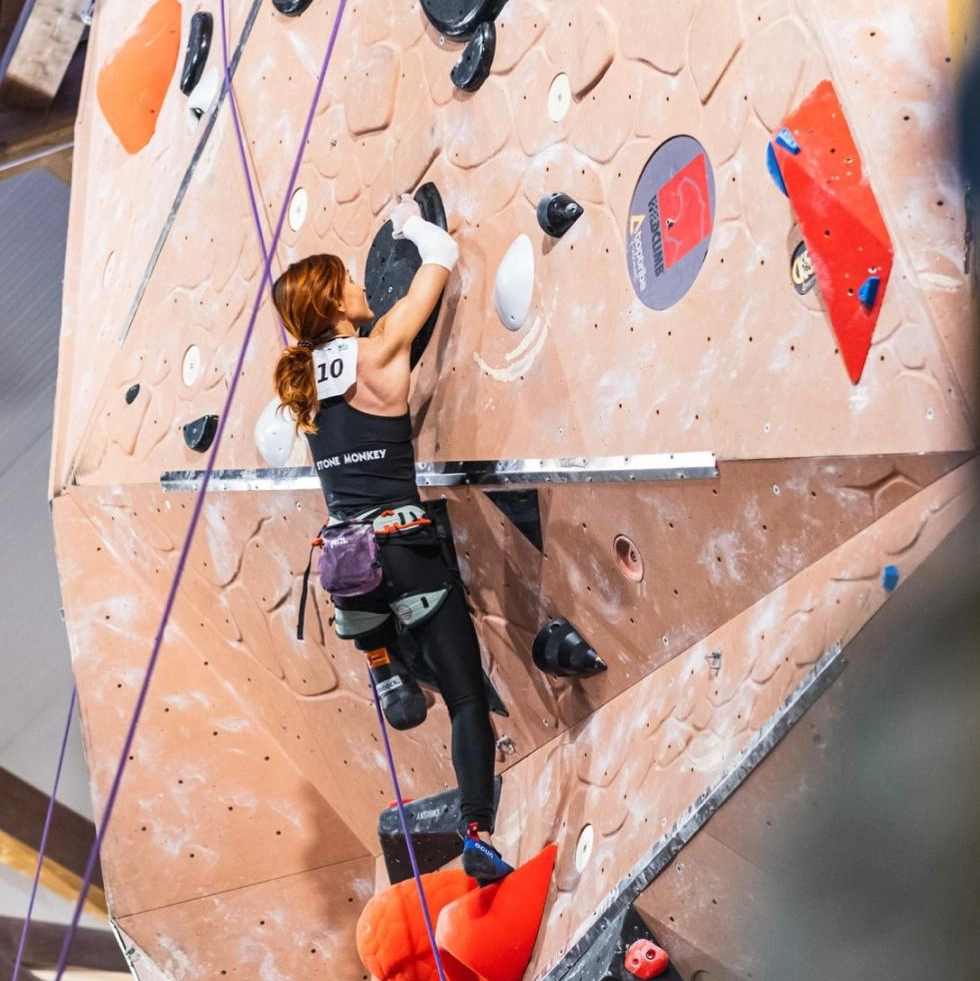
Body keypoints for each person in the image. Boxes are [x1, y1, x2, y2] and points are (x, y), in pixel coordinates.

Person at [272, 195, 512, 886]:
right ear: (336, 307)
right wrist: (409, 224)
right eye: (348, 283)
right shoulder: (378, 352)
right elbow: (440, 260)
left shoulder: (299, 386)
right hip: (405, 550)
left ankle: (385, 661)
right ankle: (476, 828)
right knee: (468, 698)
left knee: (402, 641)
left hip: (349, 567)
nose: (360, 288)